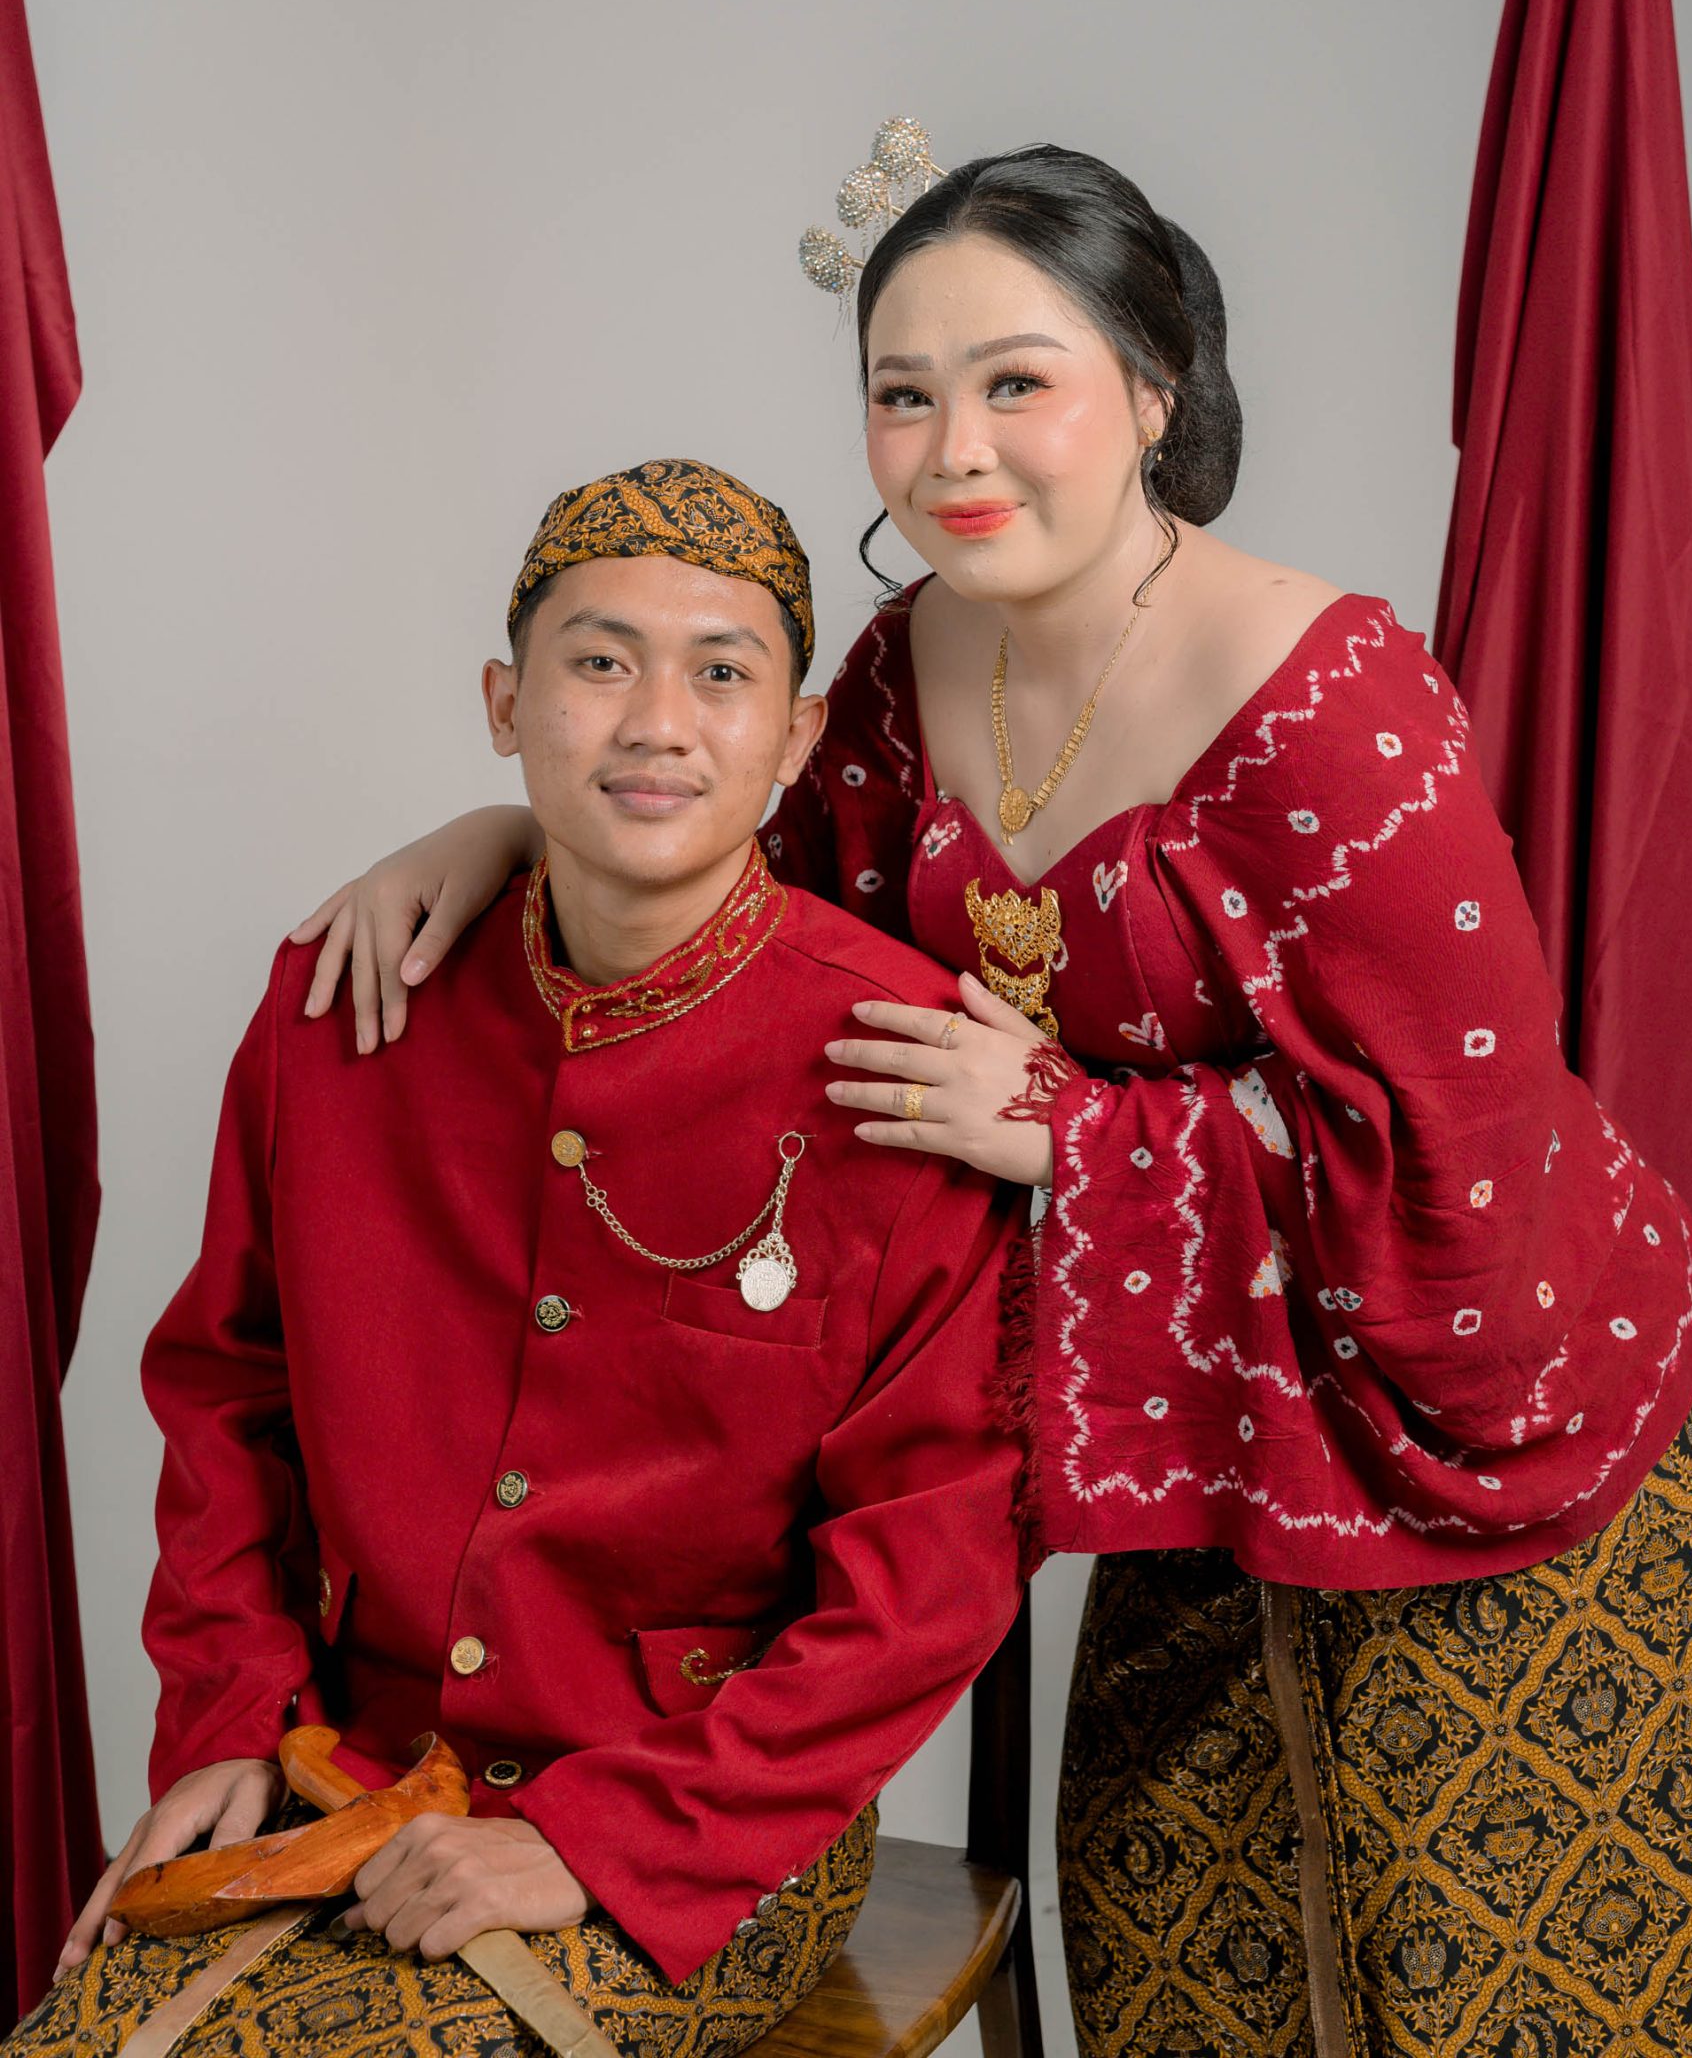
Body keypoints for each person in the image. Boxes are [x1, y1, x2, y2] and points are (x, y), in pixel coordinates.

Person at [287, 147, 1692, 2058]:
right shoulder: (902, 668)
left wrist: (1076, 1132)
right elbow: (726, 876)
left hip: (1489, 1453)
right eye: (904, 392)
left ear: (1156, 389)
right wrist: (494, 832)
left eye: (1016, 381)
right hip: (1201, 1447)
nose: (954, 449)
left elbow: (1470, 1179)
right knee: (1172, 1955)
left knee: (1469, 1991)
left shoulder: (1329, 704)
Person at [15, 458, 1027, 2058]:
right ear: (505, 704)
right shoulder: (337, 1009)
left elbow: (932, 1563)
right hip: (341, 1771)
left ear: (797, 736)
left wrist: (604, 1841)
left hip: (706, 1836)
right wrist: (226, 1715)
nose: (657, 723)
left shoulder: (901, 1068)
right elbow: (224, 1396)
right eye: (600, 662)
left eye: (721, 675)